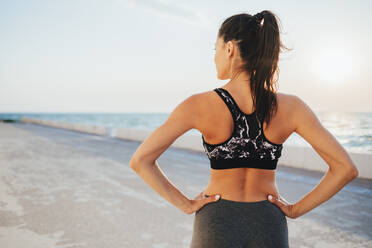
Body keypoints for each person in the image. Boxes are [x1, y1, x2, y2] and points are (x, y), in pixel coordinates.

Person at [129, 10, 359, 248]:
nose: (214, 57)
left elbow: (141, 160)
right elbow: (345, 168)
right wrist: (294, 210)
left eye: (215, 49)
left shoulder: (198, 105)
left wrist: (185, 204)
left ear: (229, 49)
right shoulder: (292, 107)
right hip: (268, 222)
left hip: (216, 220)